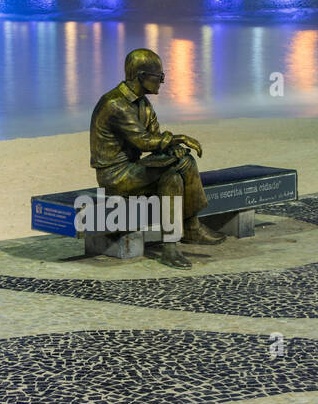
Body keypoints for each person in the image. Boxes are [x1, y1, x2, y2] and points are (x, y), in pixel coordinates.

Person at [89, 48, 226, 269]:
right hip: (115, 175)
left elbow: (155, 137)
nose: (162, 82)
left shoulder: (143, 103)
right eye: (159, 77)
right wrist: (177, 139)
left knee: (175, 173)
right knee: (179, 167)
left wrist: (172, 149)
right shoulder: (115, 104)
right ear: (142, 76)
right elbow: (143, 141)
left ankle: (176, 242)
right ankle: (189, 229)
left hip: (133, 168)